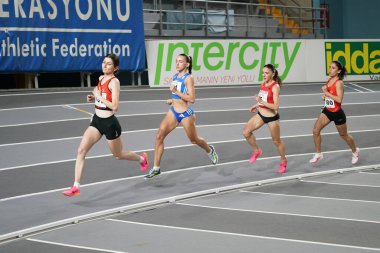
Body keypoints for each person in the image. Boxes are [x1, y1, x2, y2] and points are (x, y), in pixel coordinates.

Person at [63, 54, 148, 196]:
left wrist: (98, 97)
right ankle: (76, 186)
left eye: (109, 64)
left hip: (110, 124)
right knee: (81, 150)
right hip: (97, 121)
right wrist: (93, 98)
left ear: (115, 68)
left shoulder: (114, 82)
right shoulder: (101, 78)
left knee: (118, 155)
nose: (104, 65)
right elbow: (101, 96)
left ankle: (142, 159)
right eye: (104, 62)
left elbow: (115, 106)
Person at [144, 53, 218, 179]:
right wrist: (172, 99)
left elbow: (192, 99)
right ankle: (156, 168)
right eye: (176, 61)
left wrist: (175, 92)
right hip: (173, 111)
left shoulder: (189, 78)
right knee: (159, 136)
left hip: (185, 114)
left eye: (180, 61)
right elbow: (178, 96)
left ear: (187, 64)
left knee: (194, 140)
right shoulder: (175, 76)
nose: (177, 63)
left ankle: (210, 150)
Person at [310, 60, 360, 165]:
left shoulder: (339, 83)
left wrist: (326, 92)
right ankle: (318, 154)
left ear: (338, 71)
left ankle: (355, 151)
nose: (330, 70)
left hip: (337, 113)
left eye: (333, 68)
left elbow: (339, 99)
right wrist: (325, 97)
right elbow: (329, 96)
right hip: (327, 110)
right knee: (315, 131)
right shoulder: (329, 80)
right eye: (330, 67)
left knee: (344, 135)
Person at [242, 64, 287, 174]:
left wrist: (261, 102)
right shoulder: (263, 84)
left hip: (272, 118)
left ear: (273, 73)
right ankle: (257, 151)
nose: (264, 75)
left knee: (276, 141)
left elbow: (276, 106)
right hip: (261, 115)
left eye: (266, 73)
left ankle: (283, 160)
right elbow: (262, 99)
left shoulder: (275, 87)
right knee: (246, 132)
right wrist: (256, 105)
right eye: (263, 73)